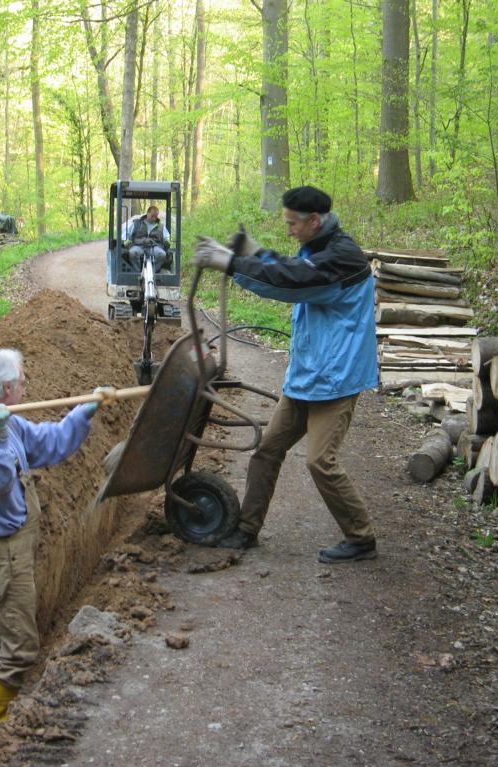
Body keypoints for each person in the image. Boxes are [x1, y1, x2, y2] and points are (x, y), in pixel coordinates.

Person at [192, 185, 379, 564]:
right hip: (308, 376)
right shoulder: (320, 247)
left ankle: (361, 538)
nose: (290, 230)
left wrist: (230, 262)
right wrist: (254, 252)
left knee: (319, 461)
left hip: (336, 380)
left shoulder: (344, 257)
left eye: (294, 224)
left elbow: (294, 281)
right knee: (266, 451)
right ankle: (246, 529)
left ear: (315, 220)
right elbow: (296, 270)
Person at [0, 348, 114, 724]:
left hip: (13, 549)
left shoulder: (10, 423)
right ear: (7, 388)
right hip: (3, 554)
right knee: (19, 648)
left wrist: (85, 410)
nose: (27, 383)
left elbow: (48, 443)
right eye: (22, 379)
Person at [122, 205, 172, 272]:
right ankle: (138, 272)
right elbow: (126, 234)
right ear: (147, 213)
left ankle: (153, 272)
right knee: (133, 252)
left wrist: (167, 241)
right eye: (152, 216)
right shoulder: (137, 223)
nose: (154, 218)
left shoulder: (161, 226)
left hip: (154, 246)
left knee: (162, 254)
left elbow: (166, 237)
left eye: (156, 216)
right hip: (138, 245)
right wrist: (126, 240)